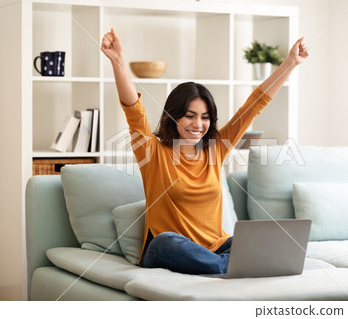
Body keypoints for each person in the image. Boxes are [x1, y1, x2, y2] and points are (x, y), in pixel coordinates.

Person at [101, 28, 309, 275]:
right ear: (173, 116)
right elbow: (134, 111)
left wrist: (290, 63)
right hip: (166, 249)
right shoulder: (152, 152)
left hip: (215, 247)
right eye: (189, 116)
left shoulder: (216, 149)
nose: (198, 124)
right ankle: (235, 267)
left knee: (264, 242)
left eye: (205, 117)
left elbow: (255, 105)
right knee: (167, 241)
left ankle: (230, 265)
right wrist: (118, 62)